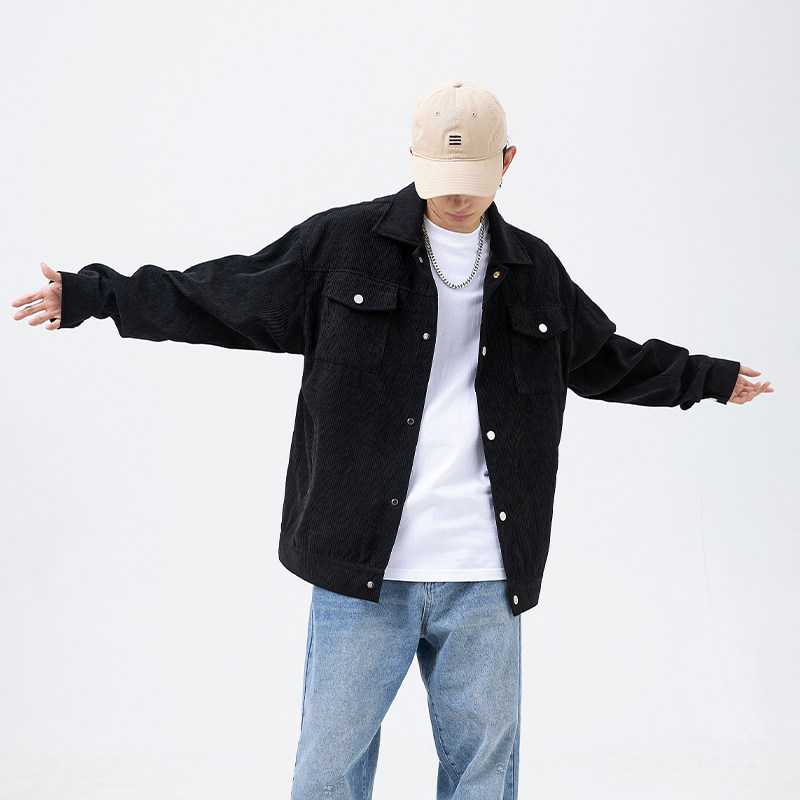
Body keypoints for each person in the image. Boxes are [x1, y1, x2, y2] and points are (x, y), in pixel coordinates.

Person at [12, 80, 772, 800]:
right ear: (413, 158)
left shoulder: (534, 270)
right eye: (442, 174)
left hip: (486, 570)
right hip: (361, 564)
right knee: (328, 772)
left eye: (474, 175)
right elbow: (221, 294)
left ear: (508, 162)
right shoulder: (342, 246)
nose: (457, 193)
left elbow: (608, 359)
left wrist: (707, 378)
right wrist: (95, 295)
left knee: (483, 775)